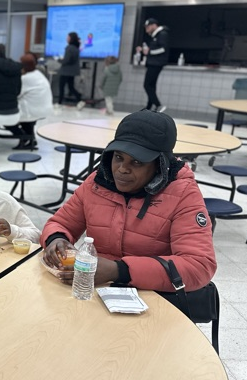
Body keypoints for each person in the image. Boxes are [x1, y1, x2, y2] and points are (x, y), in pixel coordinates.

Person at [41, 110, 216, 292]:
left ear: (161, 165)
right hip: (95, 290)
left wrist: (120, 271)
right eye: (118, 157)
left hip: (153, 296)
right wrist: (56, 239)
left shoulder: (182, 194)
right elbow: (60, 223)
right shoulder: (97, 183)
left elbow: (199, 266)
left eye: (137, 162)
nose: (122, 169)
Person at [7, 53, 52, 150]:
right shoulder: (38, 74)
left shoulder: (26, 78)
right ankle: (31, 139)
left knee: (6, 117)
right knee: (27, 119)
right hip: (42, 108)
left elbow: (16, 94)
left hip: (33, 109)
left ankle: (24, 137)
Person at [141, 18, 169, 113]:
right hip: (153, 63)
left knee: (147, 85)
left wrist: (149, 52)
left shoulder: (162, 34)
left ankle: (158, 105)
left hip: (156, 64)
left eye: (148, 27)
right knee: (151, 85)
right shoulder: (156, 35)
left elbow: (163, 49)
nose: (146, 30)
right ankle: (149, 106)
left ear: (154, 25)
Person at [57, 32, 83, 106]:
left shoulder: (69, 48)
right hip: (72, 71)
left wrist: (59, 60)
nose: (66, 39)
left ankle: (59, 102)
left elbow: (67, 60)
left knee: (61, 86)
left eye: (68, 37)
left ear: (71, 39)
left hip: (66, 71)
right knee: (71, 87)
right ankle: (79, 98)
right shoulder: (76, 48)